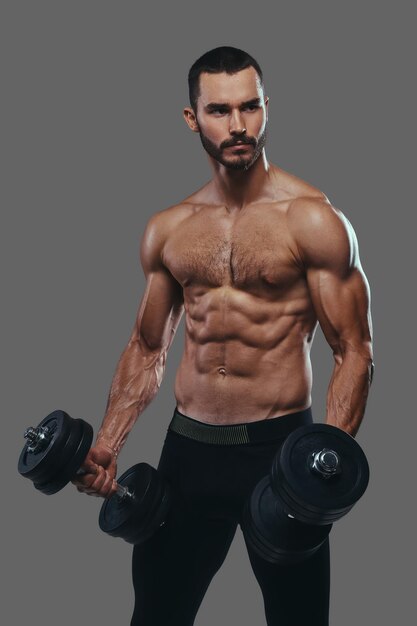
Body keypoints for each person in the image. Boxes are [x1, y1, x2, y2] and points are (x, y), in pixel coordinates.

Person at [72, 46, 374, 626]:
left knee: (299, 618)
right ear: (192, 118)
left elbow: (354, 349)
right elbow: (148, 346)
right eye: (219, 110)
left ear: (266, 109)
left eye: (250, 107)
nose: (238, 126)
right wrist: (109, 441)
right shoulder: (170, 228)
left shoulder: (312, 219)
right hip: (188, 454)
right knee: (157, 613)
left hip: (280, 451)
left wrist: (323, 468)